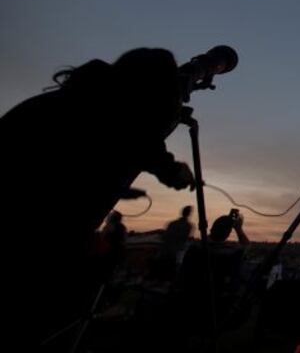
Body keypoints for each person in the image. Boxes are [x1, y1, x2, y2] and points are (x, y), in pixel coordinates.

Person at [1, 48, 196, 342]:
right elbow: (158, 159)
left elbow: (67, 167)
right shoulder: (129, 123)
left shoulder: (59, 104)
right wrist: (177, 171)